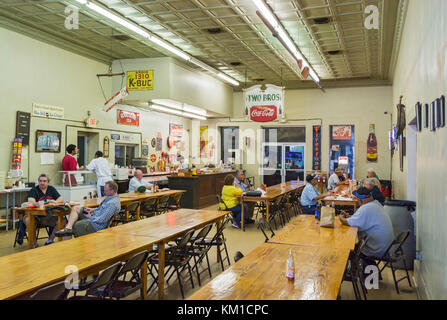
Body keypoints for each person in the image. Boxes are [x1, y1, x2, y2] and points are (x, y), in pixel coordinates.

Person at [339, 187, 394, 263]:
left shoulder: (365, 208)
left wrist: (340, 217)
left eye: (357, 199)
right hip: (386, 248)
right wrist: (350, 217)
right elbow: (361, 220)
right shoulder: (376, 204)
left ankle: (350, 270)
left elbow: (347, 222)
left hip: (376, 250)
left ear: (360, 200)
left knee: (346, 249)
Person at [55, 181, 121, 238]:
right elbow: (102, 209)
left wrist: (90, 217)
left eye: (105, 190)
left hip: (96, 225)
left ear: (112, 191)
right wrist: (93, 209)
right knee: (76, 208)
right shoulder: (110, 197)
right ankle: (68, 228)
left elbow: (102, 220)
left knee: (75, 224)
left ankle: (68, 230)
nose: (104, 192)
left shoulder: (112, 204)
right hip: (95, 216)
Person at [17, 174, 65, 246]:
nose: (42, 183)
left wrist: (55, 202)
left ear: (48, 182)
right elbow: (31, 201)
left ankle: (50, 240)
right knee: (29, 220)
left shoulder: (51, 189)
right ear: (38, 182)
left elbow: (61, 199)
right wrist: (38, 203)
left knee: (63, 220)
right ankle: (34, 243)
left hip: (46, 216)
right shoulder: (34, 190)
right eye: (40, 181)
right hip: (33, 215)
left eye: (44, 181)